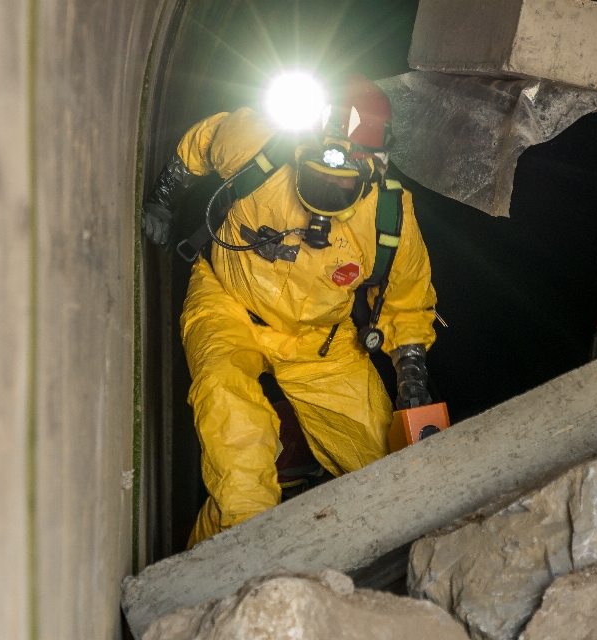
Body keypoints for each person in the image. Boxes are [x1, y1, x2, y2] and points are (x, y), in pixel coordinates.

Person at [142, 74, 437, 547]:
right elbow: (205, 141)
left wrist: (412, 375)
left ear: (372, 170)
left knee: (394, 482)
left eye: (343, 182)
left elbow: (407, 301)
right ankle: (205, 581)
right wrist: (164, 198)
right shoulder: (259, 146)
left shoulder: (389, 216)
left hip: (320, 340)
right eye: (318, 172)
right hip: (229, 304)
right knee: (241, 478)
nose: (327, 189)